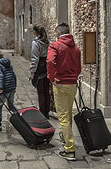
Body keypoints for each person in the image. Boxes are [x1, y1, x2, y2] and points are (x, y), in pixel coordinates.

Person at [46, 22, 82, 161]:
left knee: (63, 117)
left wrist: (52, 78)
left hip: (60, 84)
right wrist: (75, 76)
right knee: (67, 114)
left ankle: (69, 149)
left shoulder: (55, 46)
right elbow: (78, 66)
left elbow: (50, 61)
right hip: (72, 84)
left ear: (59, 33)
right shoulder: (76, 48)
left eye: (56, 33)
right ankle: (65, 137)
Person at [0, 50, 17, 131]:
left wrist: (0, 88)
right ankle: (20, 119)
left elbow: (0, 76)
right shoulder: (8, 63)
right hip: (12, 87)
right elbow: (14, 75)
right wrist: (14, 86)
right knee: (11, 105)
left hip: (5, 89)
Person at [29, 25, 51, 118]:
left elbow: (35, 59)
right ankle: (47, 111)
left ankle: (42, 113)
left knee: (41, 92)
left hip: (40, 68)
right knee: (46, 91)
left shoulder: (36, 43)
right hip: (47, 66)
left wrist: (32, 73)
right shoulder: (48, 42)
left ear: (35, 32)